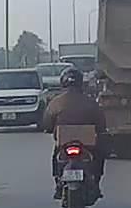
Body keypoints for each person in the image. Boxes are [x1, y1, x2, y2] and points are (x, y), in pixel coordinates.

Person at [42, 67, 107, 199]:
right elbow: (101, 123)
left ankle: (57, 183)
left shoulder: (56, 102)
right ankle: (96, 184)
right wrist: (100, 131)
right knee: (99, 155)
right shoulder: (90, 101)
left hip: (64, 142)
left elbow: (47, 122)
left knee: (56, 157)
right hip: (86, 143)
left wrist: (49, 129)